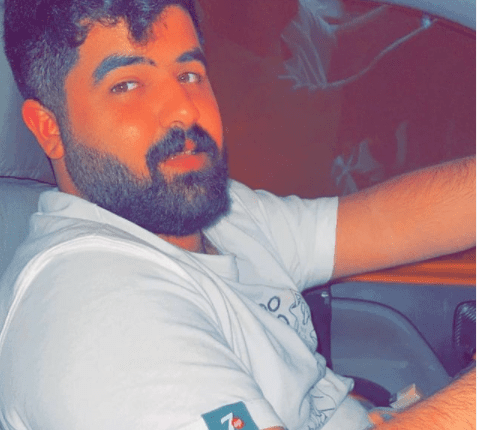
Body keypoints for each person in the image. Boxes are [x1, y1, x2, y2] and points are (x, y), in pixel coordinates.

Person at [0, 0, 475, 429]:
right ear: (48, 128)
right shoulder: (97, 316)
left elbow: (378, 224)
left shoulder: (204, 213)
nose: (184, 112)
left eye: (189, 74)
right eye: (127, 85)